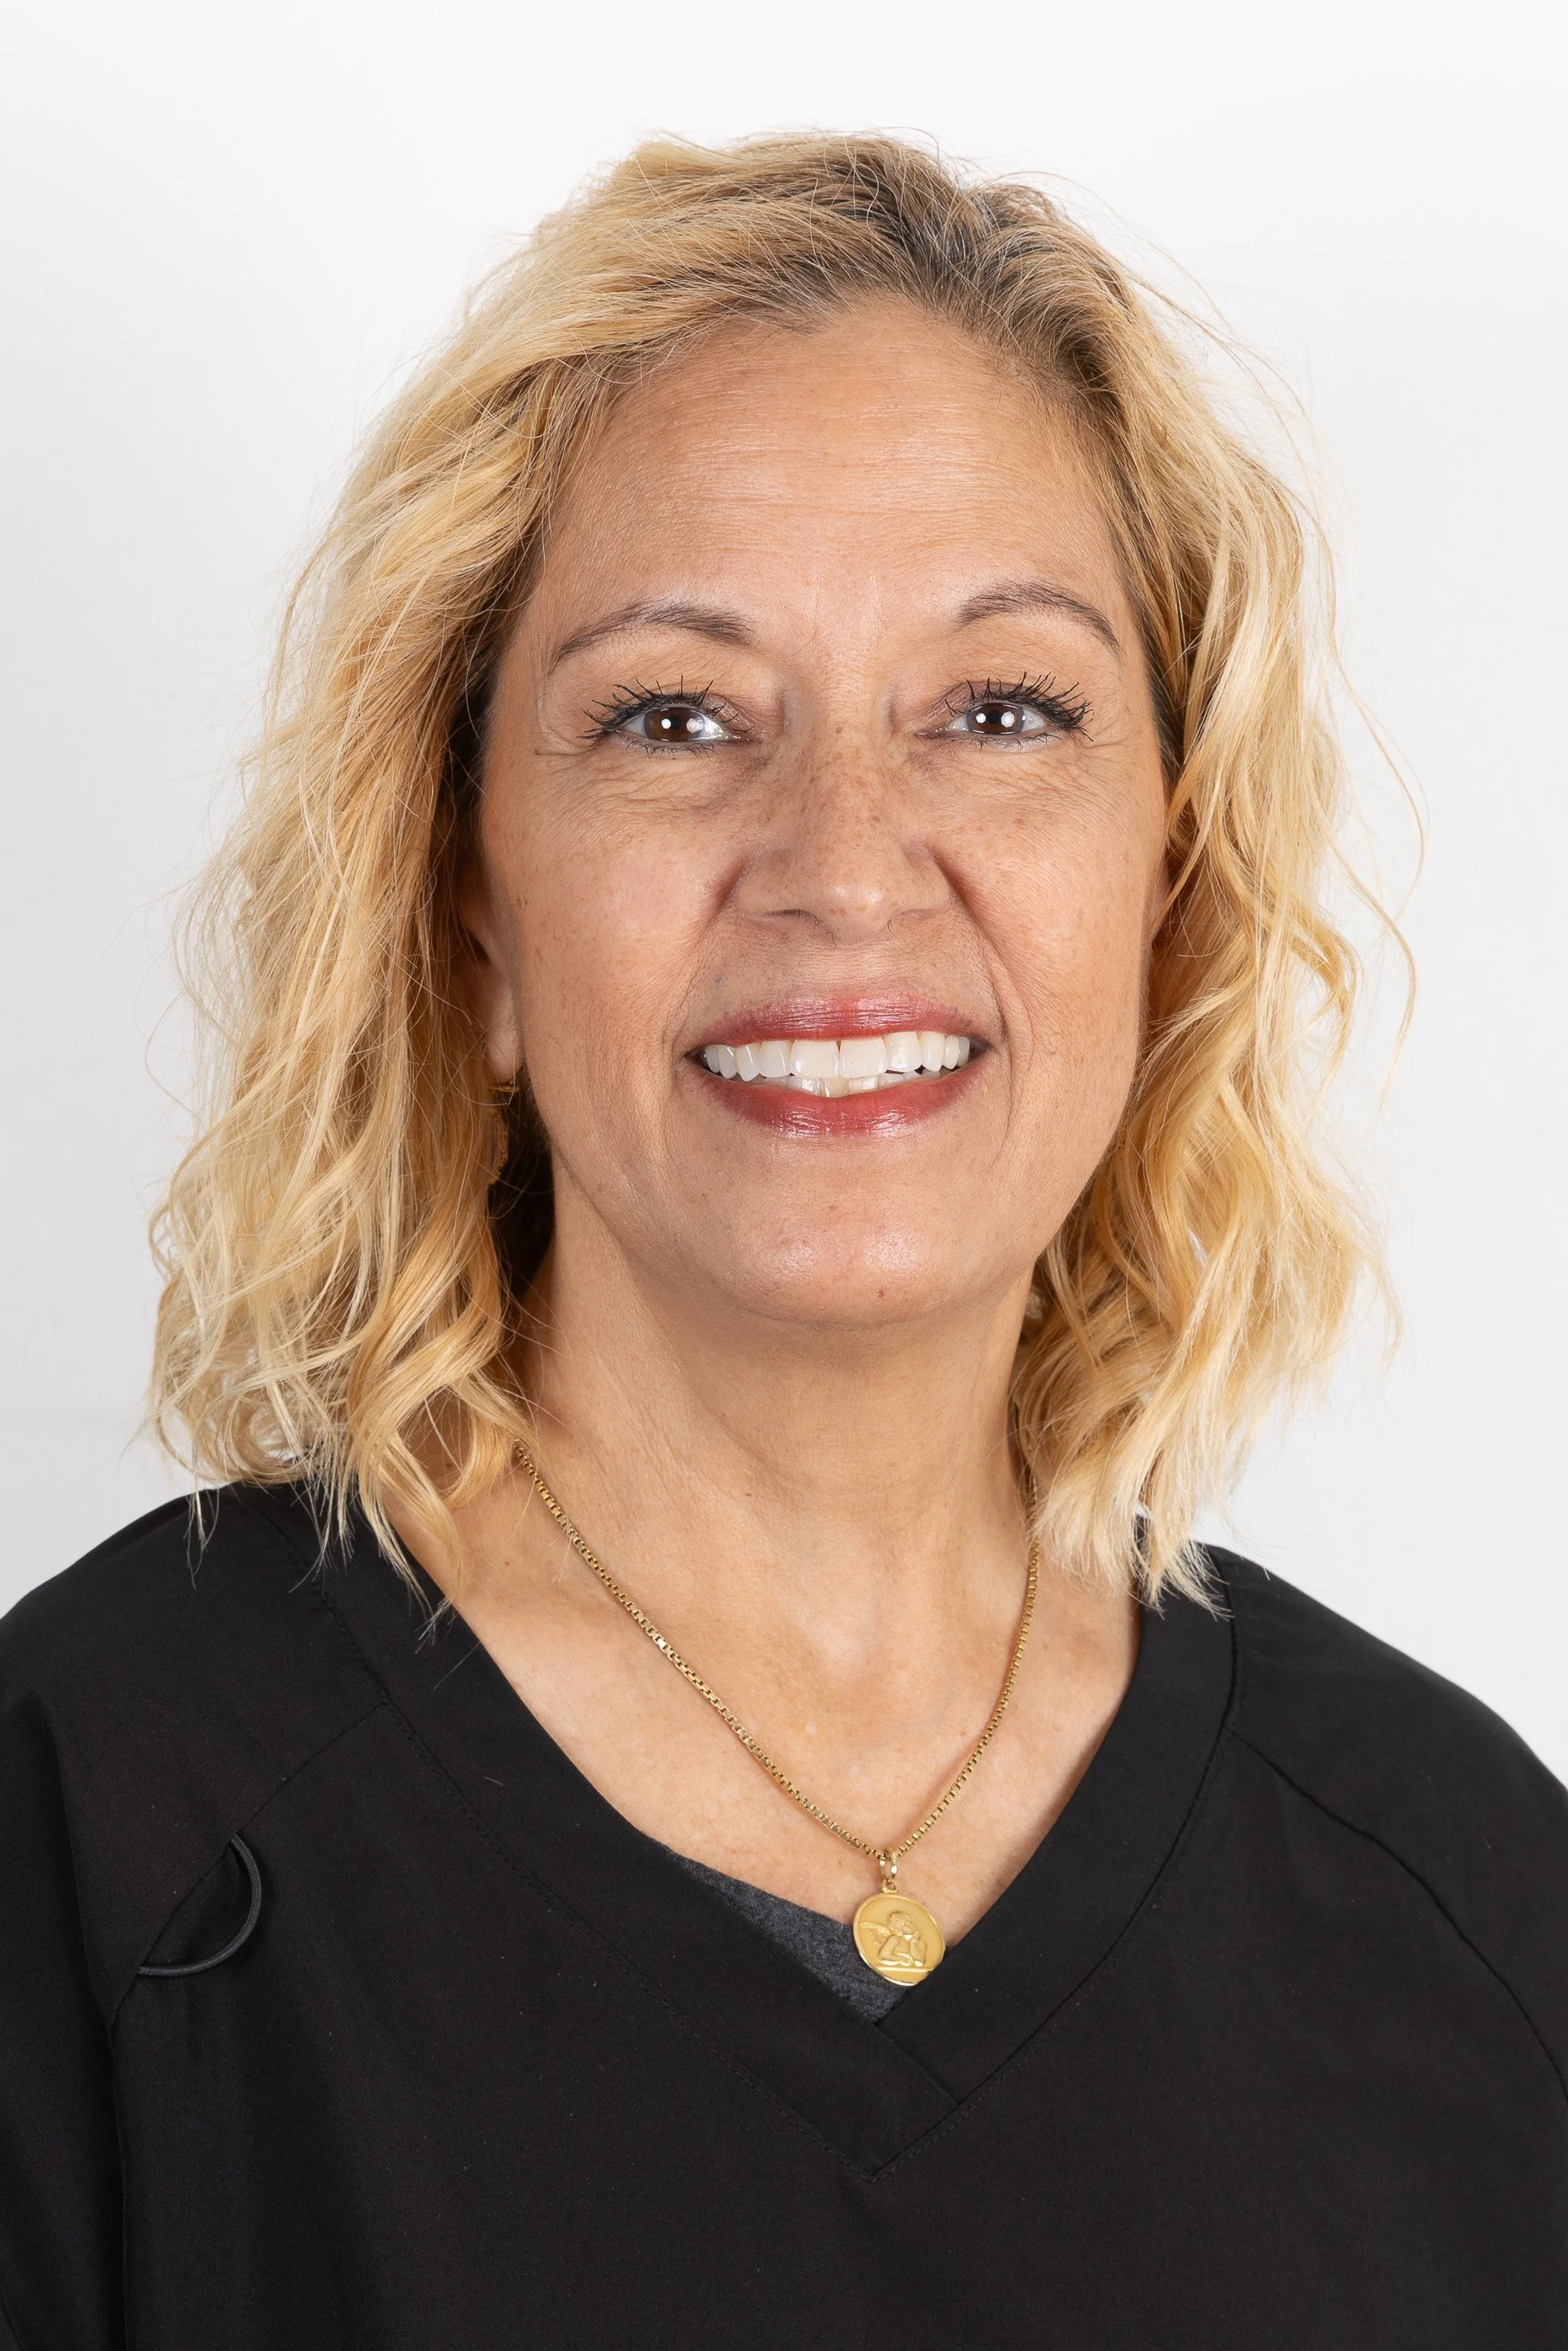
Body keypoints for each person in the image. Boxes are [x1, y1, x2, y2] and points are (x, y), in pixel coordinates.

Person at [2, 132, 1564, 2350]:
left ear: (1169, 882)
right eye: (675, 718)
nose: (845, 864)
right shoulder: (90, 1845)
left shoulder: (1476, 1913)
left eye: (1003, 710)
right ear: (467, 905)